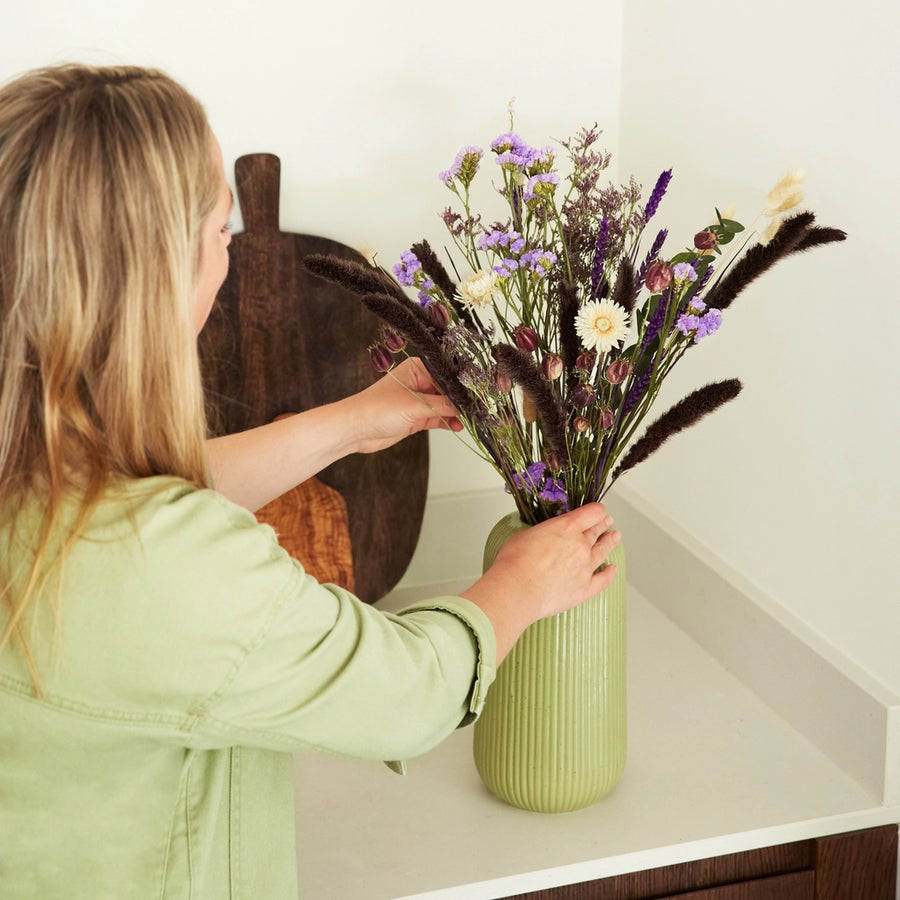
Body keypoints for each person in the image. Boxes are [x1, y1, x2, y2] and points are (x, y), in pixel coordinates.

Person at [0, 64, 621, 899]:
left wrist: (357, 419)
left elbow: (110, 520)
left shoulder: (34, 479)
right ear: (152, 279)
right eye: (221, 232)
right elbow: (405, 695)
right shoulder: (169, 565)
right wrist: (519, 582)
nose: (229, 254)